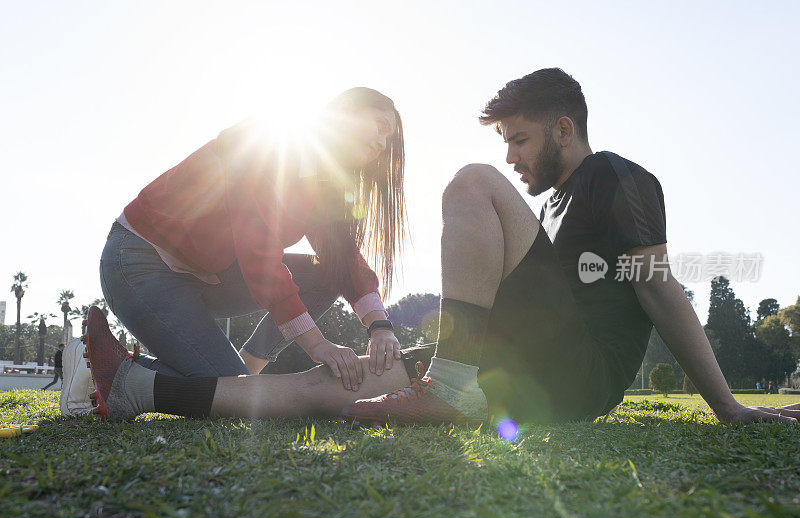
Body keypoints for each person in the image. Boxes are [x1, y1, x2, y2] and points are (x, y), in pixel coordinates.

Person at [341, 68, 800, 425]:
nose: (510, 156)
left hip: (583, 376)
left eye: (519, 139)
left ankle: (447, 386)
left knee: (473, 181)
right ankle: (272, 393)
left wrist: (729, 407)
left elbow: (658, 287)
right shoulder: (548, 210)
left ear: (563, 130)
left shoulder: (614, 176)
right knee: (342, 381)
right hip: (527, 367)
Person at [98, 87, 408, 393]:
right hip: (141, 261)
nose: (382, 143)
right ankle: (102, 369)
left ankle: (247, 373)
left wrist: (380, 328)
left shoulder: (325, 183)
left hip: (208, 276)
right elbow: (258, 251)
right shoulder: (267, 141)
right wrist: (318, 345)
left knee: (328, 274)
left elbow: (344, 259)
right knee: (233, 395)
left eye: (388, 138)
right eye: (380, 127)